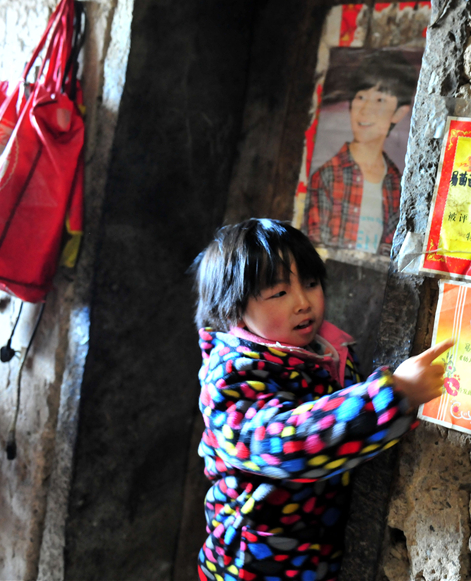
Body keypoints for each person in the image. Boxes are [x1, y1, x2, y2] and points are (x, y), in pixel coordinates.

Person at [193, 219, 453, 581]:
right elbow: (283, 445)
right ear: (235, 309)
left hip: (315, 558)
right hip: (253, 565)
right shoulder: (231, 378)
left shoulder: (325, 351)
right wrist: (391, 397)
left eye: (311, 284)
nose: (303, 302)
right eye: (278, 292)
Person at [303, 51, 417, 256]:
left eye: (380, 100)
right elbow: (312, 251)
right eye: (361, 97)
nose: (365, 110)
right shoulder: (328, 175)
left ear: (399, 112)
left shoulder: (397, 183)